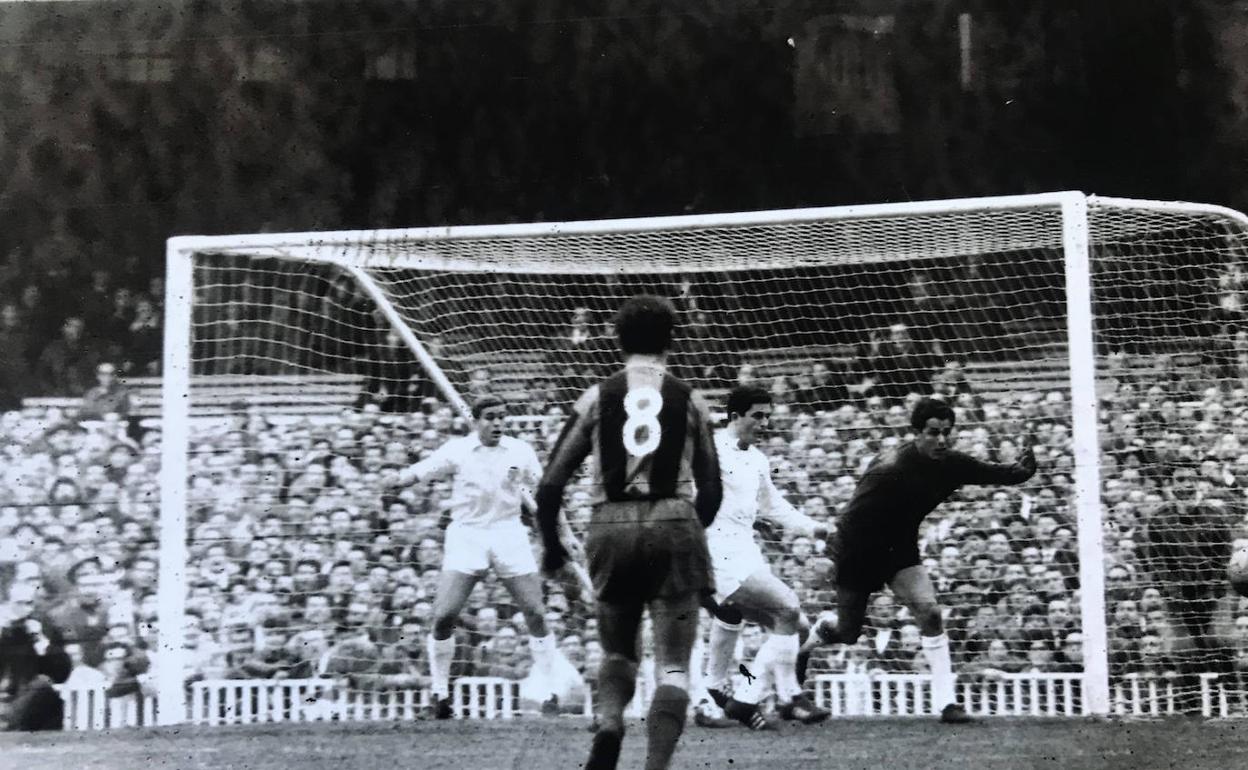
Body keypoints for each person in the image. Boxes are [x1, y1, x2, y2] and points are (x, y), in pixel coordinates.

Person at [535, 294, 722, 770]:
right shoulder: (691, 398)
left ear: (616, 341)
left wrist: (554, 549)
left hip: (610, 523)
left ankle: (612, 722)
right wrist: (688, 533)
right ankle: (654, 766)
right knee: (675, 662)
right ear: (671, 340)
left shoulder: (597, 396)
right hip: (674, 518)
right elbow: (713, 487)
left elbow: (552, 482)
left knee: (618, 651)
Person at [798, 397, 1036, 723]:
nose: (941, 440)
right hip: (859, 552)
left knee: (930, 611)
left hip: (900, 550)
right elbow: (849, 521)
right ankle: (809, 643)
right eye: (933, 433)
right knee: (848, 633)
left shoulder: (951, 462)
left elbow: (992, 473)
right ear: (916, 432)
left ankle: (947, 704)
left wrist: (1021, 471)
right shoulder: (888, 469)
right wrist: (830, 558)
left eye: (946, 433)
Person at [394, 394, 562, 719]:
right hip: (467, 535)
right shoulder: (457, 450)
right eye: (490, 417)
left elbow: (544, 488)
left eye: (502, 417)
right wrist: (398, 479)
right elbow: (423, 469)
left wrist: (558, 529)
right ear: (476, 420)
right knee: (444, 616)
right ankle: (440, 695)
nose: (497, 423)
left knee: (536, 613)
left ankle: (550, 691)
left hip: (508, 533)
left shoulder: (520, 450)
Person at [697, 386, 830, 728]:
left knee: (797, 627)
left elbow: (774, 507)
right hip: (715, 553)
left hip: (745, 552)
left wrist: (816, 529)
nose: (765, 422)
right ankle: (787, 698)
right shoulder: (707, 449)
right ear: (735, 415)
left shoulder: (757, 459)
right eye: (758, 415)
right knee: (787, 606)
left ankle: (748, 697)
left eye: (768, 416)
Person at [1, 582, 71, 731]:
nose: (25, 609)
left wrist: (41, 641)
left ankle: (9, 727)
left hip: (26, 698)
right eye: (19, 603)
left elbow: (62, 674)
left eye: (29, 603)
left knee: (42, 683)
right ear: (6, 604)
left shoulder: (43, 627)